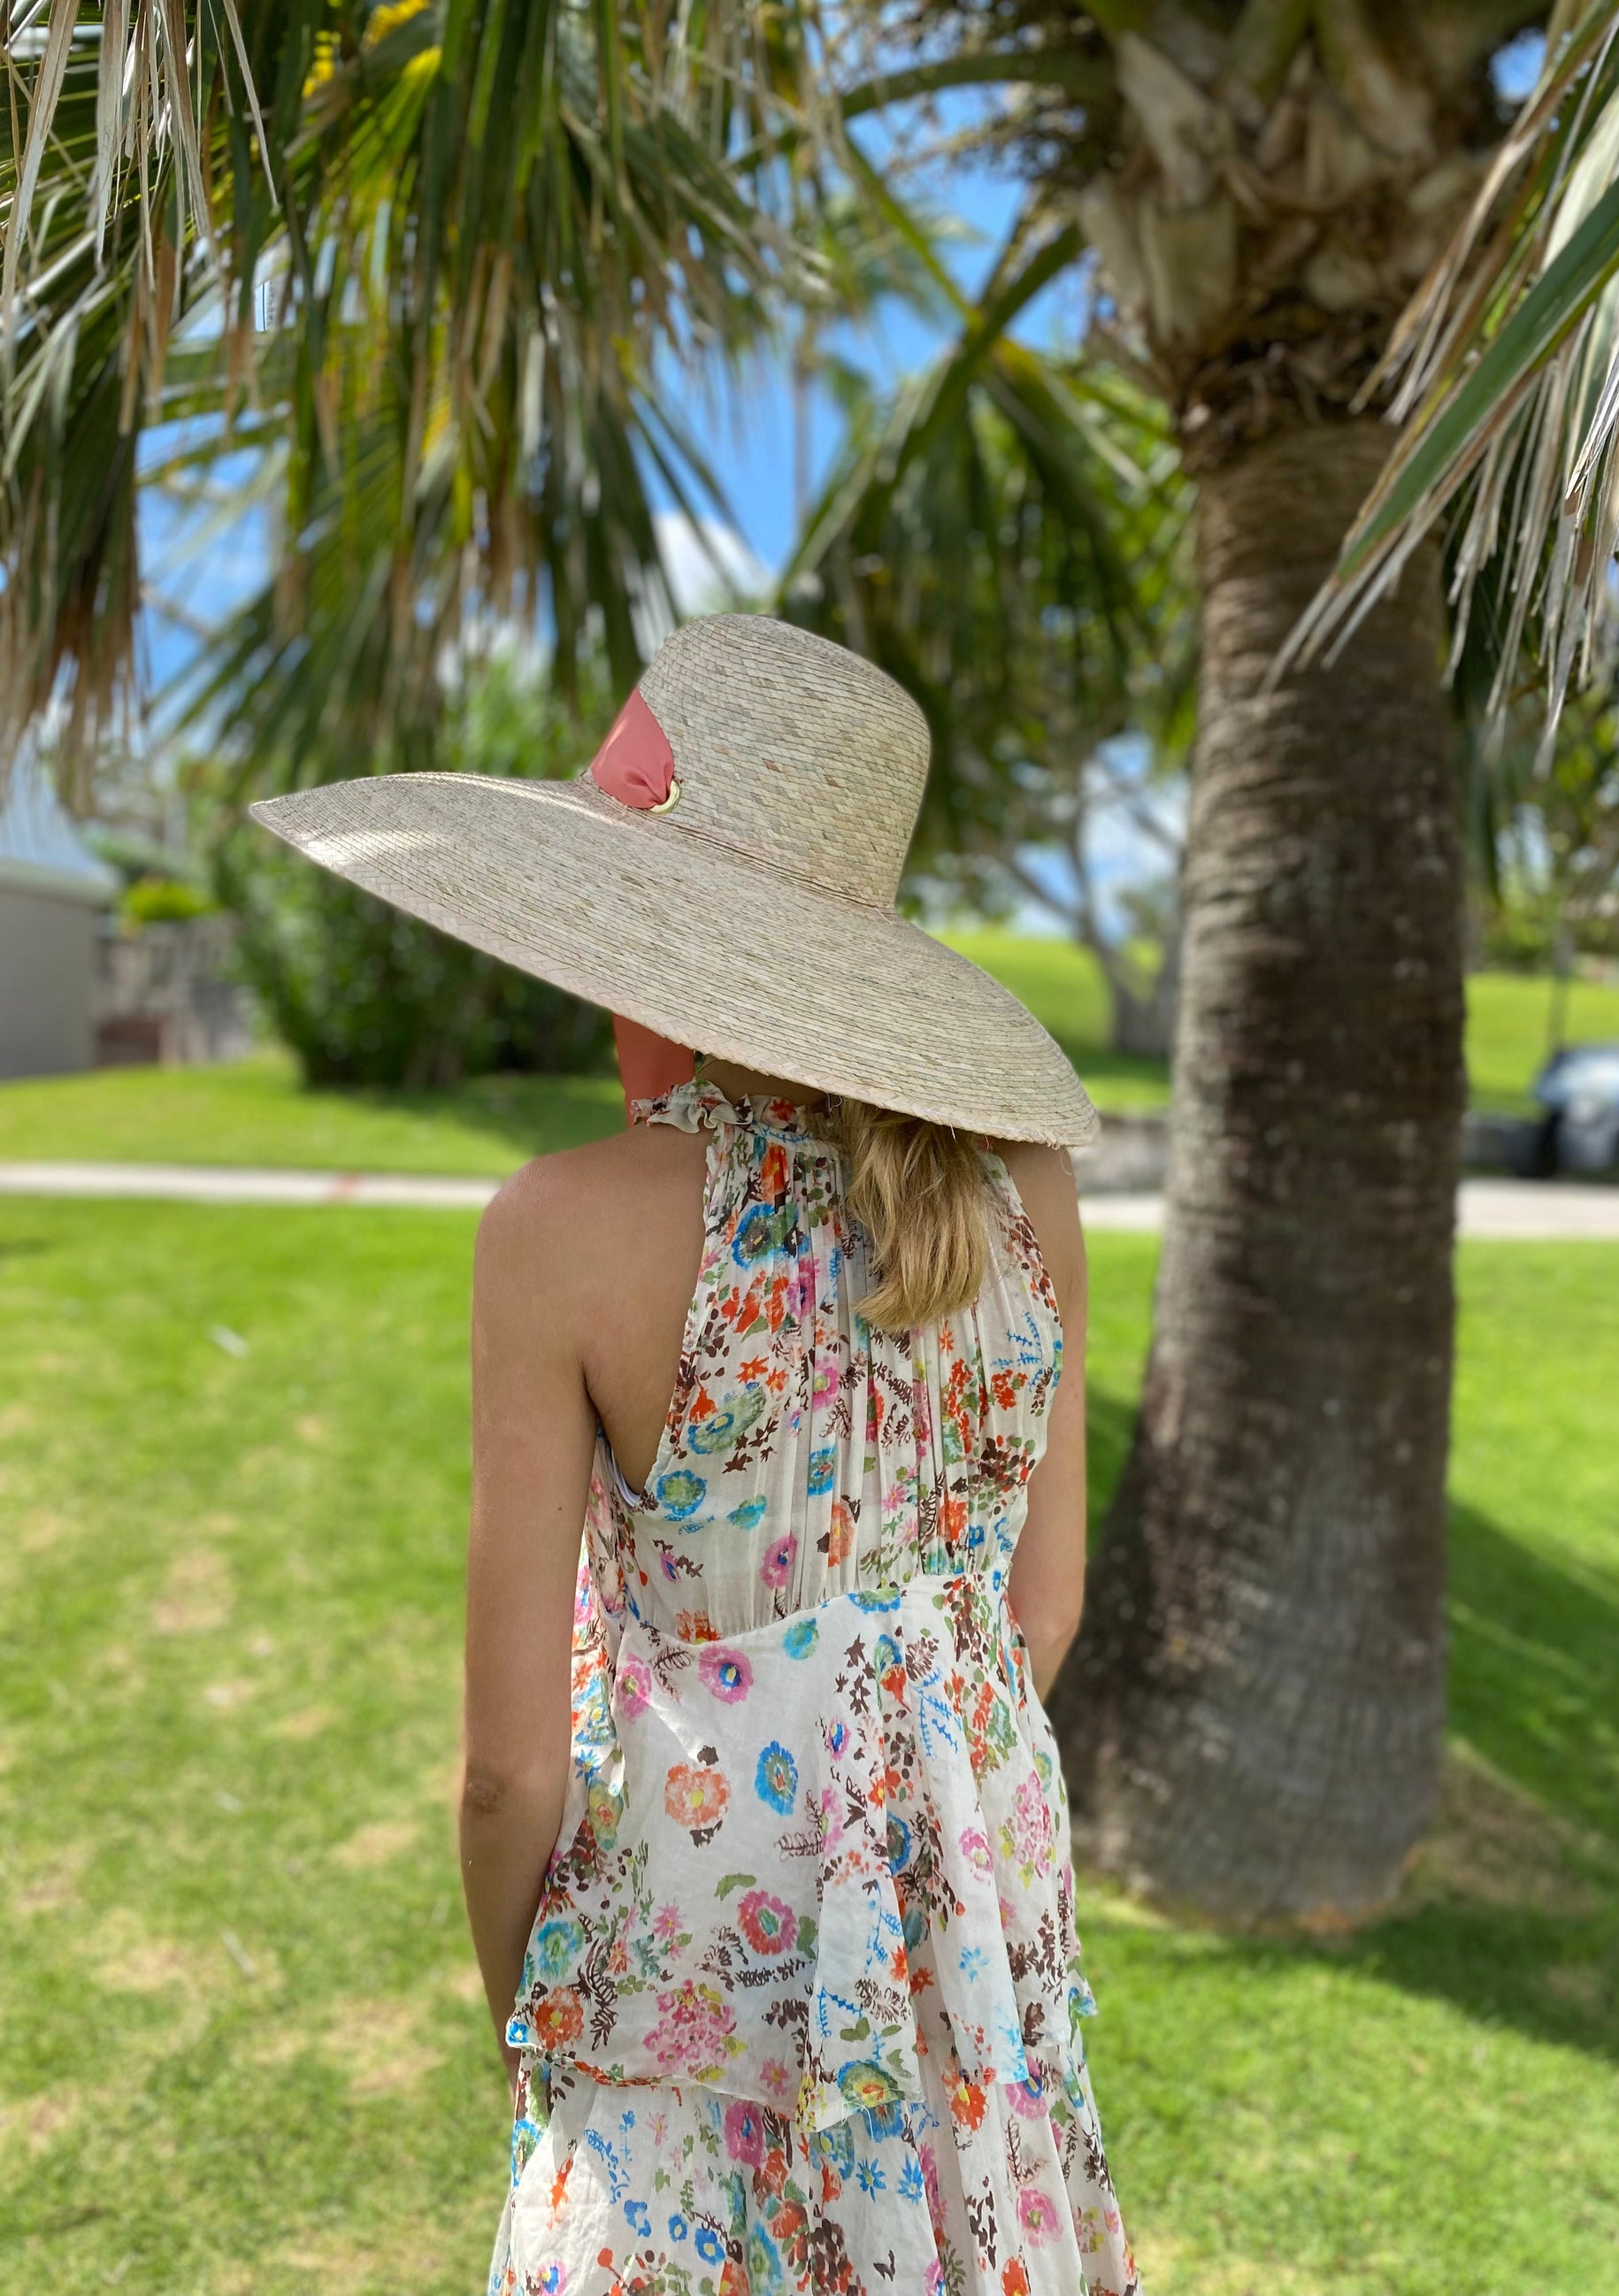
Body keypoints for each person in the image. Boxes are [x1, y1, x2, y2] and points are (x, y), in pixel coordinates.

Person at [255, 616, 1139, 2296]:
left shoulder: (567, 1227)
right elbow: (1035, 1615)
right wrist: (909, 1834)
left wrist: (533, 2017)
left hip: (681, 2004)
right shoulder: (1026, 1184)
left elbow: (505, 1771)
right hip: (962, 1972)